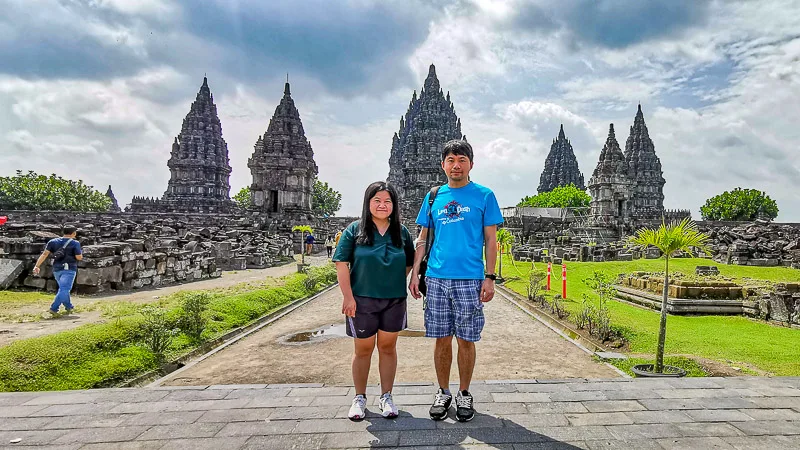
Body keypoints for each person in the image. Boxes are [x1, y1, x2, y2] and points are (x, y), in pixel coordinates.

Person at [409, 139, 503, 422]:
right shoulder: (433, 196)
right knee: (440, 339)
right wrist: (415, 271)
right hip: (436, 278)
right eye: (450, 160)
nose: (456, 165)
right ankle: (443, 391)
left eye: (462, 159)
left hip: (469, 278)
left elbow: (491, 240)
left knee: (466, 339)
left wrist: (490, 277)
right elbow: (423, 238)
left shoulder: (484, 196)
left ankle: (464, 392)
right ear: (443, 165)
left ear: (471, 164)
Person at [333, 181, 415, 421]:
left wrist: (395, 280)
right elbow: (341, 264)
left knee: (388, 348)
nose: (382, 205)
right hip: (362, 300)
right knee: (363, 350)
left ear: (394, 205)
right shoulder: (355, 230)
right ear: (368, 203)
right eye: (377, 200)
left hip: (393, 300)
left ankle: (386, 396)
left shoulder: (401, 231)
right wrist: (348, 297)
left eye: (387, 201)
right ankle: (359, 397)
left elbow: (410, 260)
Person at [33, 225, 84, 316]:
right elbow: (78, 257)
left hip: (56, 269)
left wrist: (37, 266)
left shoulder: (52, 242)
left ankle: (69, 306)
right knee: (65, 289)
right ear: (74, 233)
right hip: (69, 269)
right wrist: (81, 255)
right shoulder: (75, 243)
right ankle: (54, 308)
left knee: (63, 289)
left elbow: (44, 254)